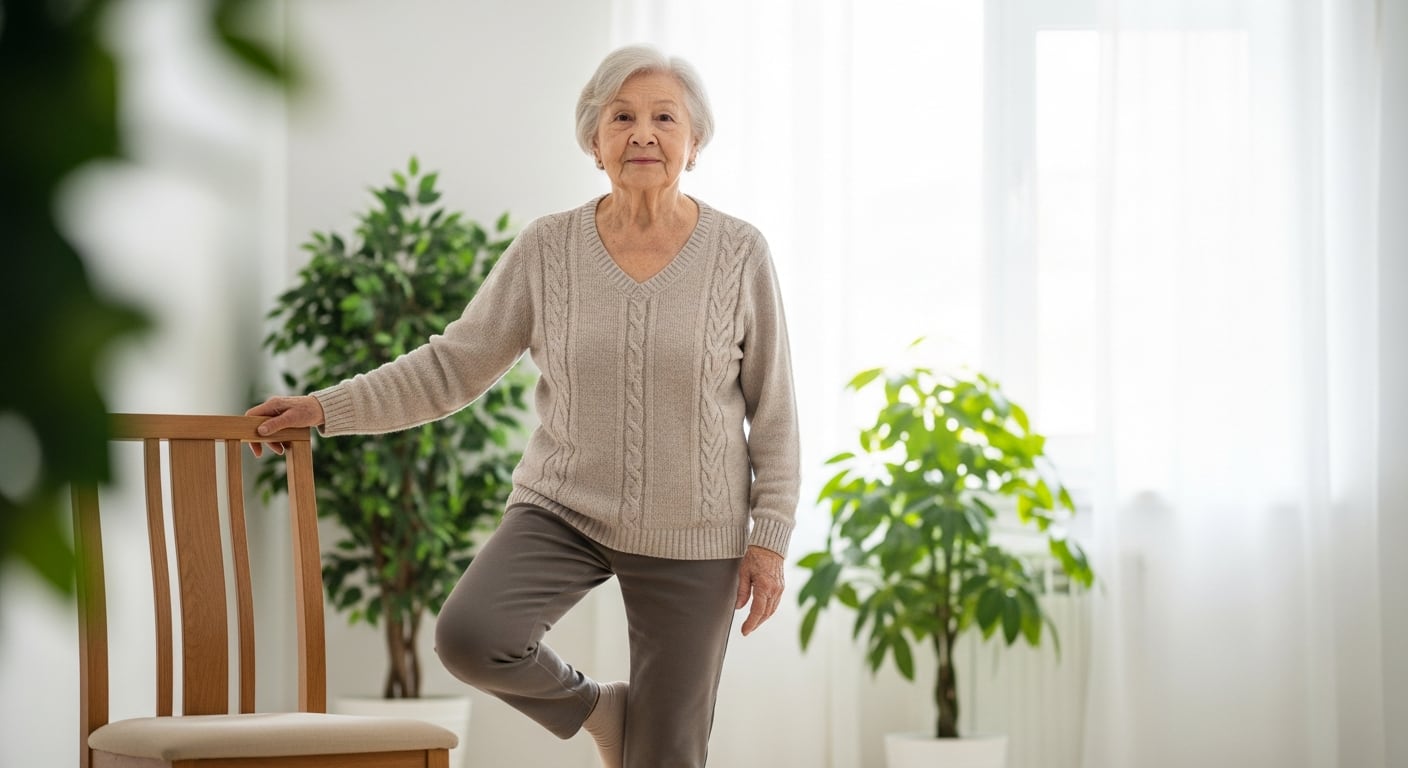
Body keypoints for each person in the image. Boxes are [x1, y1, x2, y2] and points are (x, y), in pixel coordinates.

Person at [246, 44, 800, 768]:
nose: (643, 134)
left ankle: (642, 732)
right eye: (621, 118)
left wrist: (769, 539)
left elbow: (775, 408)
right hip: (565, 507)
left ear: (694, 143)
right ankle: (599, 710)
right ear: (593, 141)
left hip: (694, 526)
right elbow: (453, 364)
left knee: (665, 756)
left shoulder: (739, 253)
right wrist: (326, 408)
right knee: (473, 636)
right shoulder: (548, 248)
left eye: (665, 118)